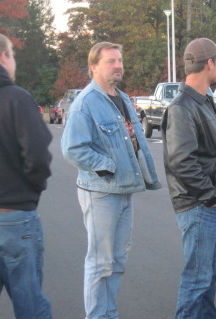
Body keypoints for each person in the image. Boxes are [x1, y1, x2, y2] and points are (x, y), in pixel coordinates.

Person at [61, 41, 161, 319]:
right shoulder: (86, 103)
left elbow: (135, 140)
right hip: (101, 192)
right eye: (110, 61)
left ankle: (109, 314)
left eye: (120, 60)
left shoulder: (123, 98)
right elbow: (72, 148)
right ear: (94, 67)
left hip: (125, 189)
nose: (118, 65)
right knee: (100, 262)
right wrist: (108, 166)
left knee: (117, 260)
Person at [161, 38, 216, 319]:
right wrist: (211, 198)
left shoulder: (203, 101)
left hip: (209, 206)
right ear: (209, 63)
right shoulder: (182, 107)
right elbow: (182, 162)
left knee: (208, 278)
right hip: (199, 207)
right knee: (197, 281)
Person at [0, 34, 53, 319]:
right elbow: (39, 155)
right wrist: (31, 192)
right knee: (30, 304)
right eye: (13, 55)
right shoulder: (17, 99)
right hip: (15, 217)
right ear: (3, 57)